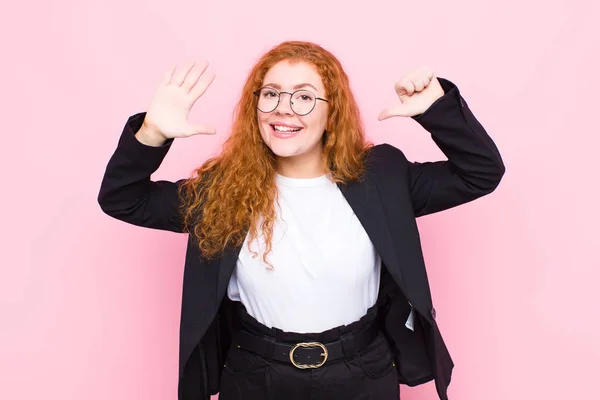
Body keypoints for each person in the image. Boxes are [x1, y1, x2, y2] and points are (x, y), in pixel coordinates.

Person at [98, 41, 504, 400]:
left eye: (305, 97)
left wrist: (437, 110)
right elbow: (123, 198)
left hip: (362, 372)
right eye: (271, 94)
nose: (283, 109)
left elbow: (480, 172)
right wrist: (151, 132)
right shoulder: (222, 190)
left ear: (333, 113)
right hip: (255, 374)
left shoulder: (382, 177)